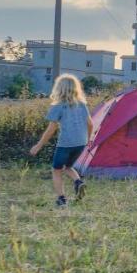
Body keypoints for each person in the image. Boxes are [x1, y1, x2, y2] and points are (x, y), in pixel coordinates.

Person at [29, 73, 94, 207]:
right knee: (68, 167)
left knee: (56, 169)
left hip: (66, 143)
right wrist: (87, 139)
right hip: (80, 142)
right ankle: (78, 182)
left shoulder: (57, 106)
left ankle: (61, 199)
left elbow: (51, 129)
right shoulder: (82, 105)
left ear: (59, 89)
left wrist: (38, 145)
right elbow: (90, 124)